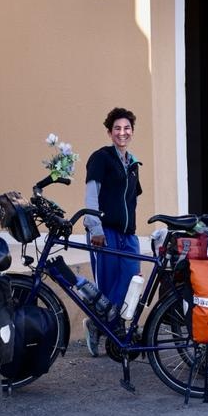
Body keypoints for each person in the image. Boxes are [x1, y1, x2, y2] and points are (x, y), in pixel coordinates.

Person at [83, 107, 142, 356]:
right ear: (110, 132)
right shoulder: (101, 158)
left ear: (132, 131)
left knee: (131, 280)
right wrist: (94, 227)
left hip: (128, 234)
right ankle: (99, 328)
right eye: (117, 128)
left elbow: (132, 200)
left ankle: (100, 323)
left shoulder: (133, 163)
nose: (122, 132)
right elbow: (91, 194)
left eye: (126, 128)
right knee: (106, 286)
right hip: (104, 232)